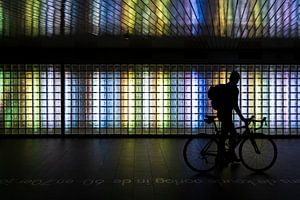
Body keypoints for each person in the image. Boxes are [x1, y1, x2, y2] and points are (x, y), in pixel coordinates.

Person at [215, 70, 248, 166]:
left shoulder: (225, 87)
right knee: (232, 135)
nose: (238, 81)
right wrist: (242, 118)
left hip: (221, 114)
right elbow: (235, 105)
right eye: (238, 79)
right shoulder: (234, 89)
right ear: (236, 79)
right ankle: (222, 158)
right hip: (226, 116)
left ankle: (227, 156)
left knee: (225, 136)